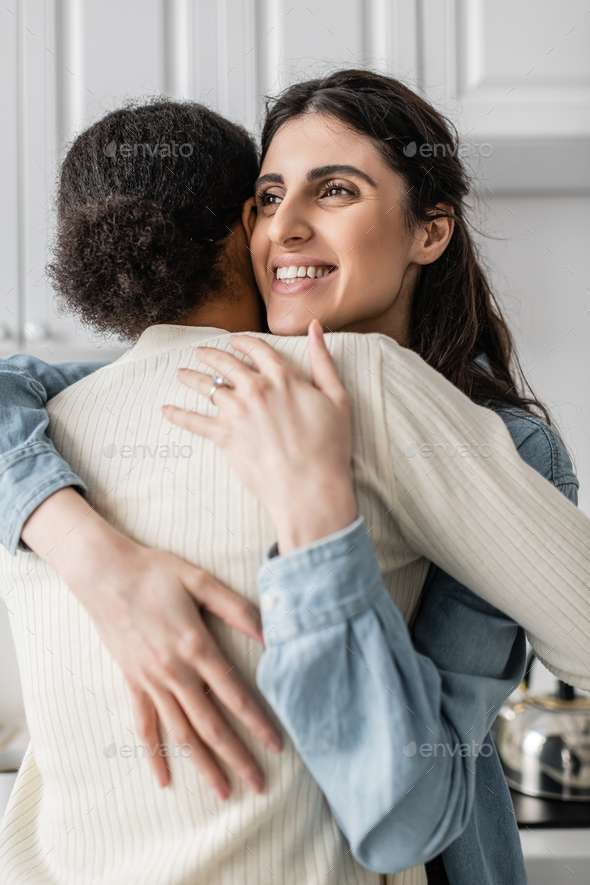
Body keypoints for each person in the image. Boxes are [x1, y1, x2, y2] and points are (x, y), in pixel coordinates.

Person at [0, 74, 589, 883]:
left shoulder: (478, 437)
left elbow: (416, 796)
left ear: (430, 231)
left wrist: (314, 505)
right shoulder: (75, 416)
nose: (287, 227)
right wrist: (89, 552)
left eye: (336, 189)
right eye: (270, 197)